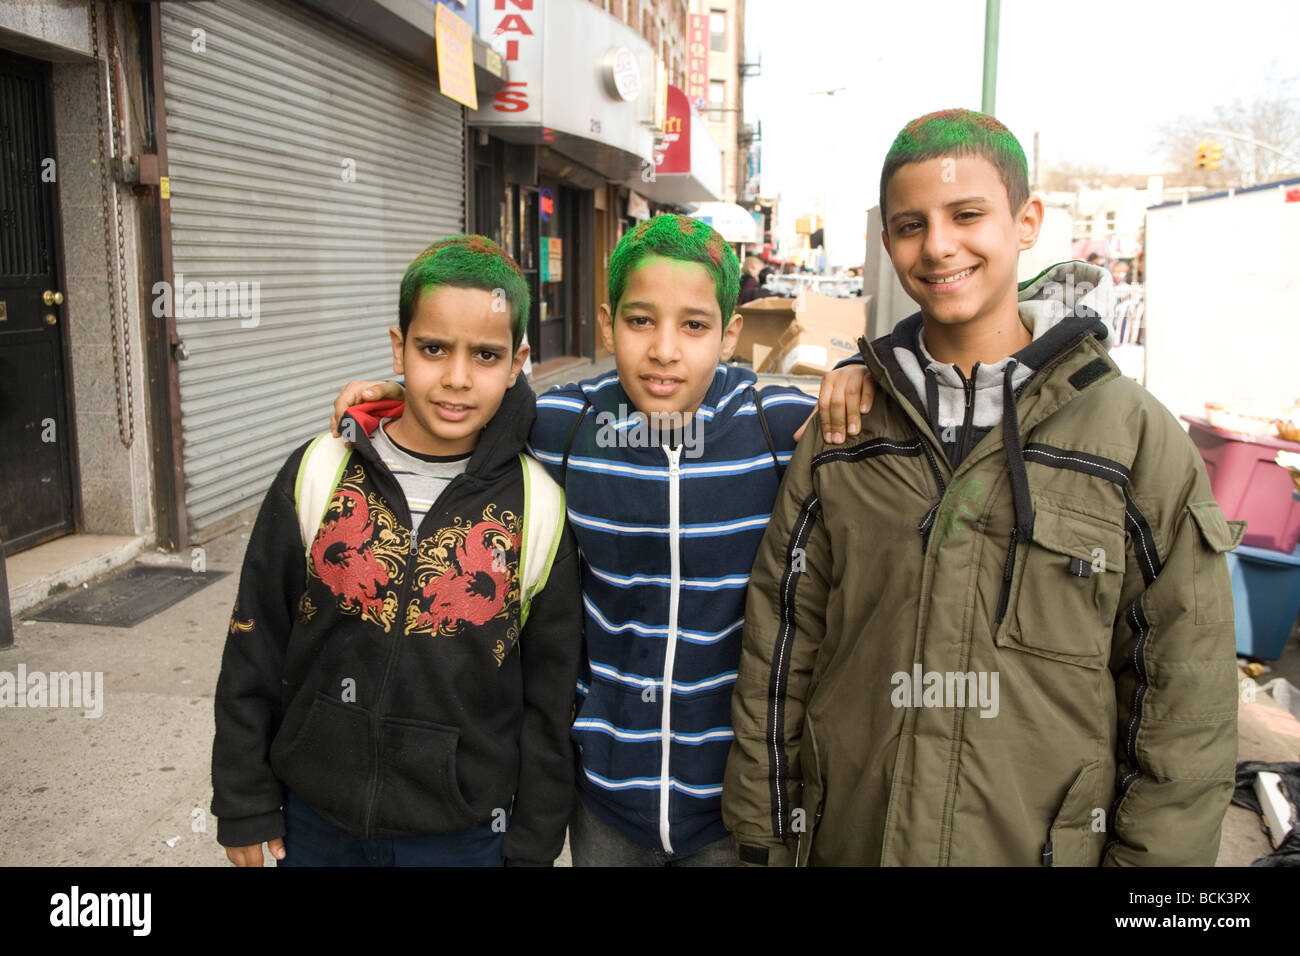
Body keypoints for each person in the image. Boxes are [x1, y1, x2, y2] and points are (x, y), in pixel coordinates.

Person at [723, 109, 1243, 867]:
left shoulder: (1131, 437)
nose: (938, 246)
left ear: (1026, 221)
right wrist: (766, 835)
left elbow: (1182, 689)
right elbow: (782, 643)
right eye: (910, 225)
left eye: (967, 215)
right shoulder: (848, 427)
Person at [330, 215, 869, 866]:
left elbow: (881, 422)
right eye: (642, 321)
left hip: (733, 803)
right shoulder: (568, 423)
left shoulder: (775, 426)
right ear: (608, 324)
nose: (665, 349)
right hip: (606, 796)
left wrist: (859, 370)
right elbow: (462, 396)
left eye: (694, 326)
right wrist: (392, 397)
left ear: (729, 336)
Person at [211, 235, 583, 867]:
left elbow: (549, 703)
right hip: (312, 825)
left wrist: (532, 846)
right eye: (433, 348)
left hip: (464, 837)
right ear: (398, 346)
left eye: (486, 355)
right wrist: (244, 801)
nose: (457, 378)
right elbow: (255, 641)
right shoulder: (320, 469)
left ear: (519, 361)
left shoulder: (539, 507)